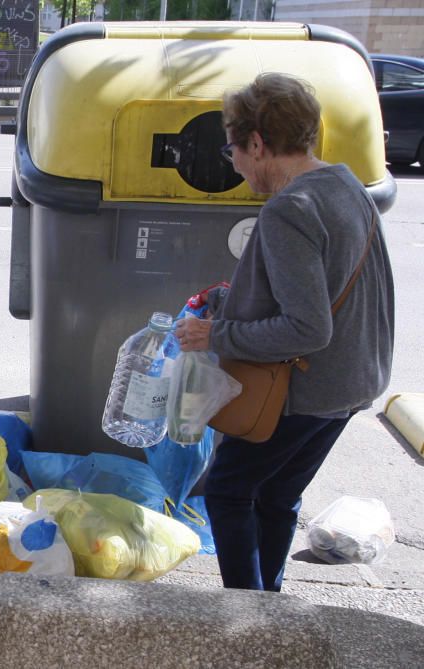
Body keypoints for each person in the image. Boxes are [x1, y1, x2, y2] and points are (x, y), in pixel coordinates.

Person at [174, 72, 395, 592]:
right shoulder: (346, 186)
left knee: (228, 491)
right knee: (276, 496)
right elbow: (333, 286)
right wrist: (233, 300)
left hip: (307, 389)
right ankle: (268, 610)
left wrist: (216, 335)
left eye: (234, 150)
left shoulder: (287, 210)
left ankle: (247, 620)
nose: (236, 163)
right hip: (354, 383)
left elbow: (307, 327)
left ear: (258, 142)